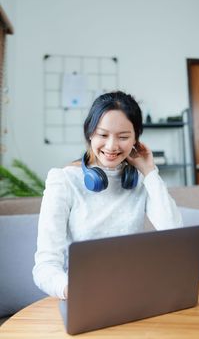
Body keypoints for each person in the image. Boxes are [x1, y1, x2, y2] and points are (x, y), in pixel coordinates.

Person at [33, 91, 182, 299]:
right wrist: (74, 289)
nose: (111, 146)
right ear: (90, 134)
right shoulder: (64, 180)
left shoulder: (140, 180)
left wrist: (150, 171)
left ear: (136, 140)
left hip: (133, 293)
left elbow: (174, 234)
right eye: (103, 135)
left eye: (123, 137)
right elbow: (45, 266)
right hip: (82, 295)